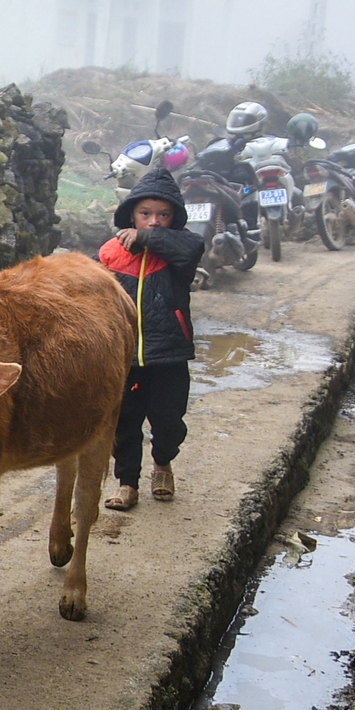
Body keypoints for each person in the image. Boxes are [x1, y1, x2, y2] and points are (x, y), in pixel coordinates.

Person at [98, 166, 205, 510]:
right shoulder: (111, 253)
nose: (154, 221)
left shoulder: (181, 248)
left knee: (169, 422)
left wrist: (144, 238)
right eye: (145, 214)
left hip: (168, 355)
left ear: (174, 218)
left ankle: (162, 463)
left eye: (163, 214)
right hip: (124, 358)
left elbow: (191, 249)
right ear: (131, 214)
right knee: (123, 423)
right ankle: (127, 483)